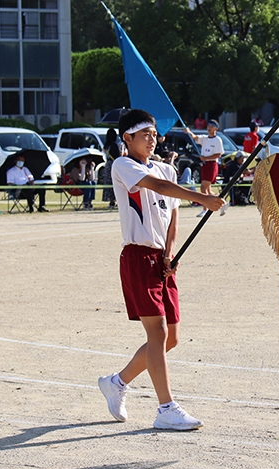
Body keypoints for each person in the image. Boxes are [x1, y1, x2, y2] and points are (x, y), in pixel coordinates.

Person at [97, 108, 225, 431]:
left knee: (170, 338)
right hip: (138, 257)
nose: (152, 140)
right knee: (158, 333)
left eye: (154, 135)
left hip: (160, 261)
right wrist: (202, 198)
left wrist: (170, 252)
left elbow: (172, 215)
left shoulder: (168, 169)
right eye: (145, 135)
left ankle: (117, 382)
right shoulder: (123, 165)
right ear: (128, 138)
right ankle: (166, 408)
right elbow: (158, 188)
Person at [185, 119, 224, 217]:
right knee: (209, 191)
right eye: (208, 125)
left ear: (216, 128)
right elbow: (195, 138)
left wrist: (206, 157)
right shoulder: (205, 139)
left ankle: (205, 209)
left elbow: (218, 154)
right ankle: (223, 203)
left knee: (203, 188)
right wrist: (189, 132)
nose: (209, 128)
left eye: (212, 126)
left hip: (212, 165)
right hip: (205, 164)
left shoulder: (218, 140)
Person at [102, 128, 119, 209]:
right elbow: (116, 156)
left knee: (109, 183)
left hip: (107, 164)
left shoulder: (106, 145)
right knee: (115, 183)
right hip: (114, 164)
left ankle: (111, 201)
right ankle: (116, 200)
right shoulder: (114, 145)